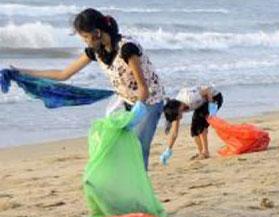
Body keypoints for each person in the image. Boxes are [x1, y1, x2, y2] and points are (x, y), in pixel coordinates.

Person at [13, 8, 164, 170]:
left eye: (85, 37)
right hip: (125, 100)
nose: (84, 41)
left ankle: (138, 184)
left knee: (138, 149)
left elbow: (143, 88)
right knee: (111, 146)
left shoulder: (127, 49)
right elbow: (63, 74)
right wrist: (22, 73)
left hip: (148, 102)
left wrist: (135, 115)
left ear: (97, 33)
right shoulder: (96, 51)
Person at [161, 85, 223, 163]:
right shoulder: (176, 107)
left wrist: (212, 109)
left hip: (214, 97)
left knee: (200, 123)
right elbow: (174, 133)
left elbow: (207, 90)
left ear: (178, 110)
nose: (179, 119)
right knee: (194, 130)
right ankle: (201, 152)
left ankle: (205, 152)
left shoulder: (190, 98)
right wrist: (168, 150)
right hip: (202, 103)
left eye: (177, 117)